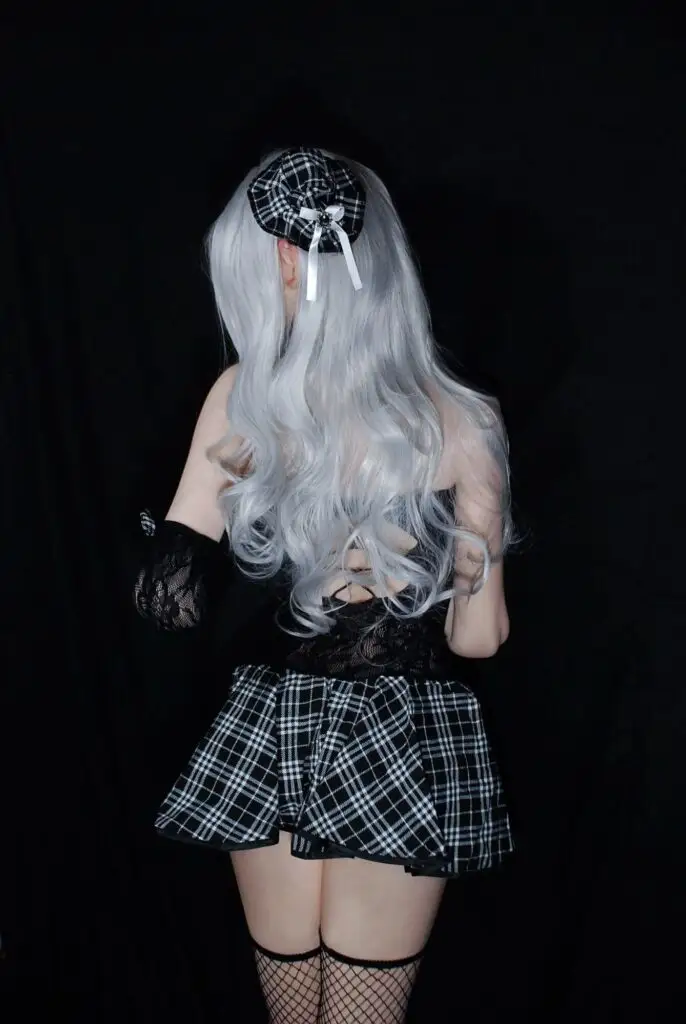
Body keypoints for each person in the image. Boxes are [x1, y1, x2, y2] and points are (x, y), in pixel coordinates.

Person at [134, 146, 514, 1023]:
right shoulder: (465, 420)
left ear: (278, 259)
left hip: (274, 726)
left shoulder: (243, 397)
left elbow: (169, 603)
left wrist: (182, 510)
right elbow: (478, 638)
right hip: (402, 734)